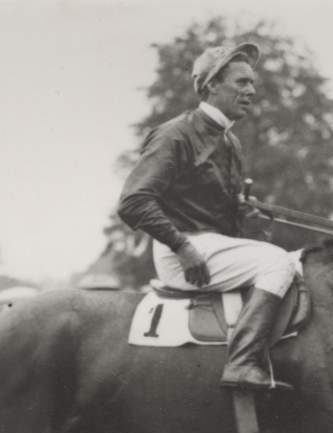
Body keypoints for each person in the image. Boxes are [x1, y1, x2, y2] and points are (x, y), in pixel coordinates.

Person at [118, 42, 297, 391]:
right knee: (278, 263)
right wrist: (182, 247)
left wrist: (247, 216)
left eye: (253, 84)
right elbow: (133, 201)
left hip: (210, 246)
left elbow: (219, 216)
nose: (251, 90)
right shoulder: (176, 133)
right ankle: (243, 362)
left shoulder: (231, 142)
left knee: (294, 261)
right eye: (241, 82)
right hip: (182, 252)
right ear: (212, 84)